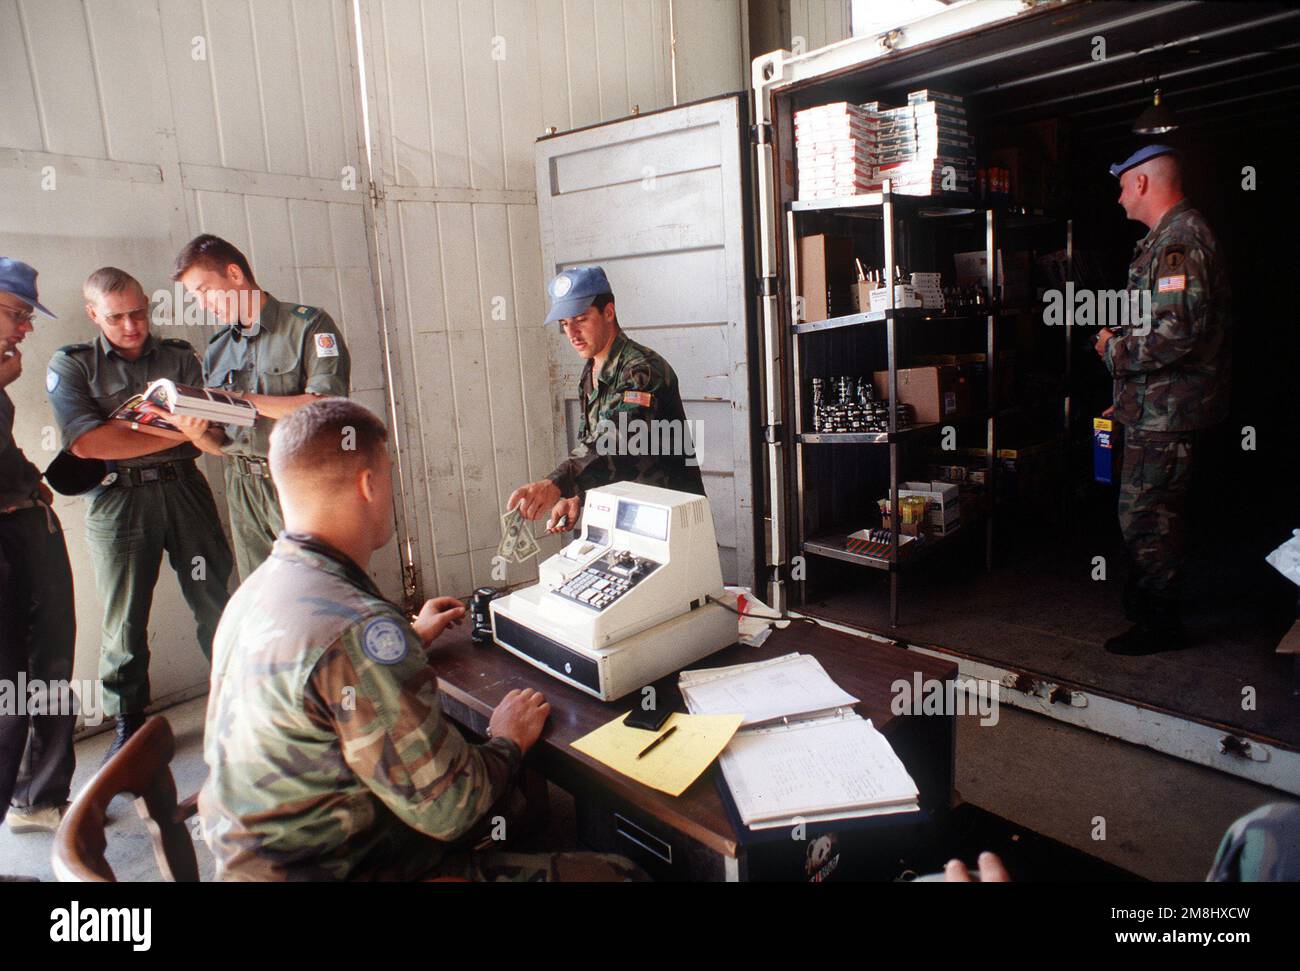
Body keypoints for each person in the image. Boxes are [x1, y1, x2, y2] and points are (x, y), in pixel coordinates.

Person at [198, 397, 644, 881]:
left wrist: (405, 638)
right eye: (389, 473)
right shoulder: (359, 632)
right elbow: (455, 810)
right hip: (345, 869)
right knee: (619, 873)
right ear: (369, 485)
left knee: (519, 816)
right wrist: (506, 739)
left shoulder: (256, 592)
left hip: (254, 862)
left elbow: (323, 673)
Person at [45, 267, 233, 760]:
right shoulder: (73, 365)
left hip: (184, 490)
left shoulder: (178, 356)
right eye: (116, 317)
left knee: (215, 600)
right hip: (118, 500)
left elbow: (212, 430)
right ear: (93, 315)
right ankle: (129, 725)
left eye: (138, 313)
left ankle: (236, 703)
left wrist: (153, 434)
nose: (131, 326)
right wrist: (178, 432)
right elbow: (87, 442)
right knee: (124, 620)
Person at [1094, 145, 1230, 657]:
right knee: (1148, 511)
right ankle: (1150, 602)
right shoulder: (1167, 240)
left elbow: (1177, 334)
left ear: (1144, 183)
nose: (1120, 196)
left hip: (1169, 415)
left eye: (1124, 185)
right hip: (1156, 408)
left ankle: (1160, 621)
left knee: (1148, 515)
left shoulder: (1180, 241)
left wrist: (1114, 351)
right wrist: (1128, 402)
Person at [171, 234, 351, 580]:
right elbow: (220, 444)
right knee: (262, 594)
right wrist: (196, 435)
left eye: (205, 290)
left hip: (299, 479)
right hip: (242, 485)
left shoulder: (307, 326)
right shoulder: (218, 349)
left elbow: (326, 407)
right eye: (195, 297)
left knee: (319, 587)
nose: (203, 303)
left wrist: (242, 399)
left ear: (235, 274)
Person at [507, 266, 704, 533]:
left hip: (668, 519)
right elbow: (597, 446)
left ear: (608, 312)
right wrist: (579, 496)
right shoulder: (593, 368)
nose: (572, 333)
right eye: (565, 324)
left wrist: (556, 483)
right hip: (624, 516)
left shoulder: (642, 370)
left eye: (581, 319)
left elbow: (618, 440)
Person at [0, 258, 76, 834]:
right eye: (16, 314)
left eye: (26, 316)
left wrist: (31, 479)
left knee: (50, 668)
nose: (25, 328)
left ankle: (41, 797)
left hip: (32, 532)